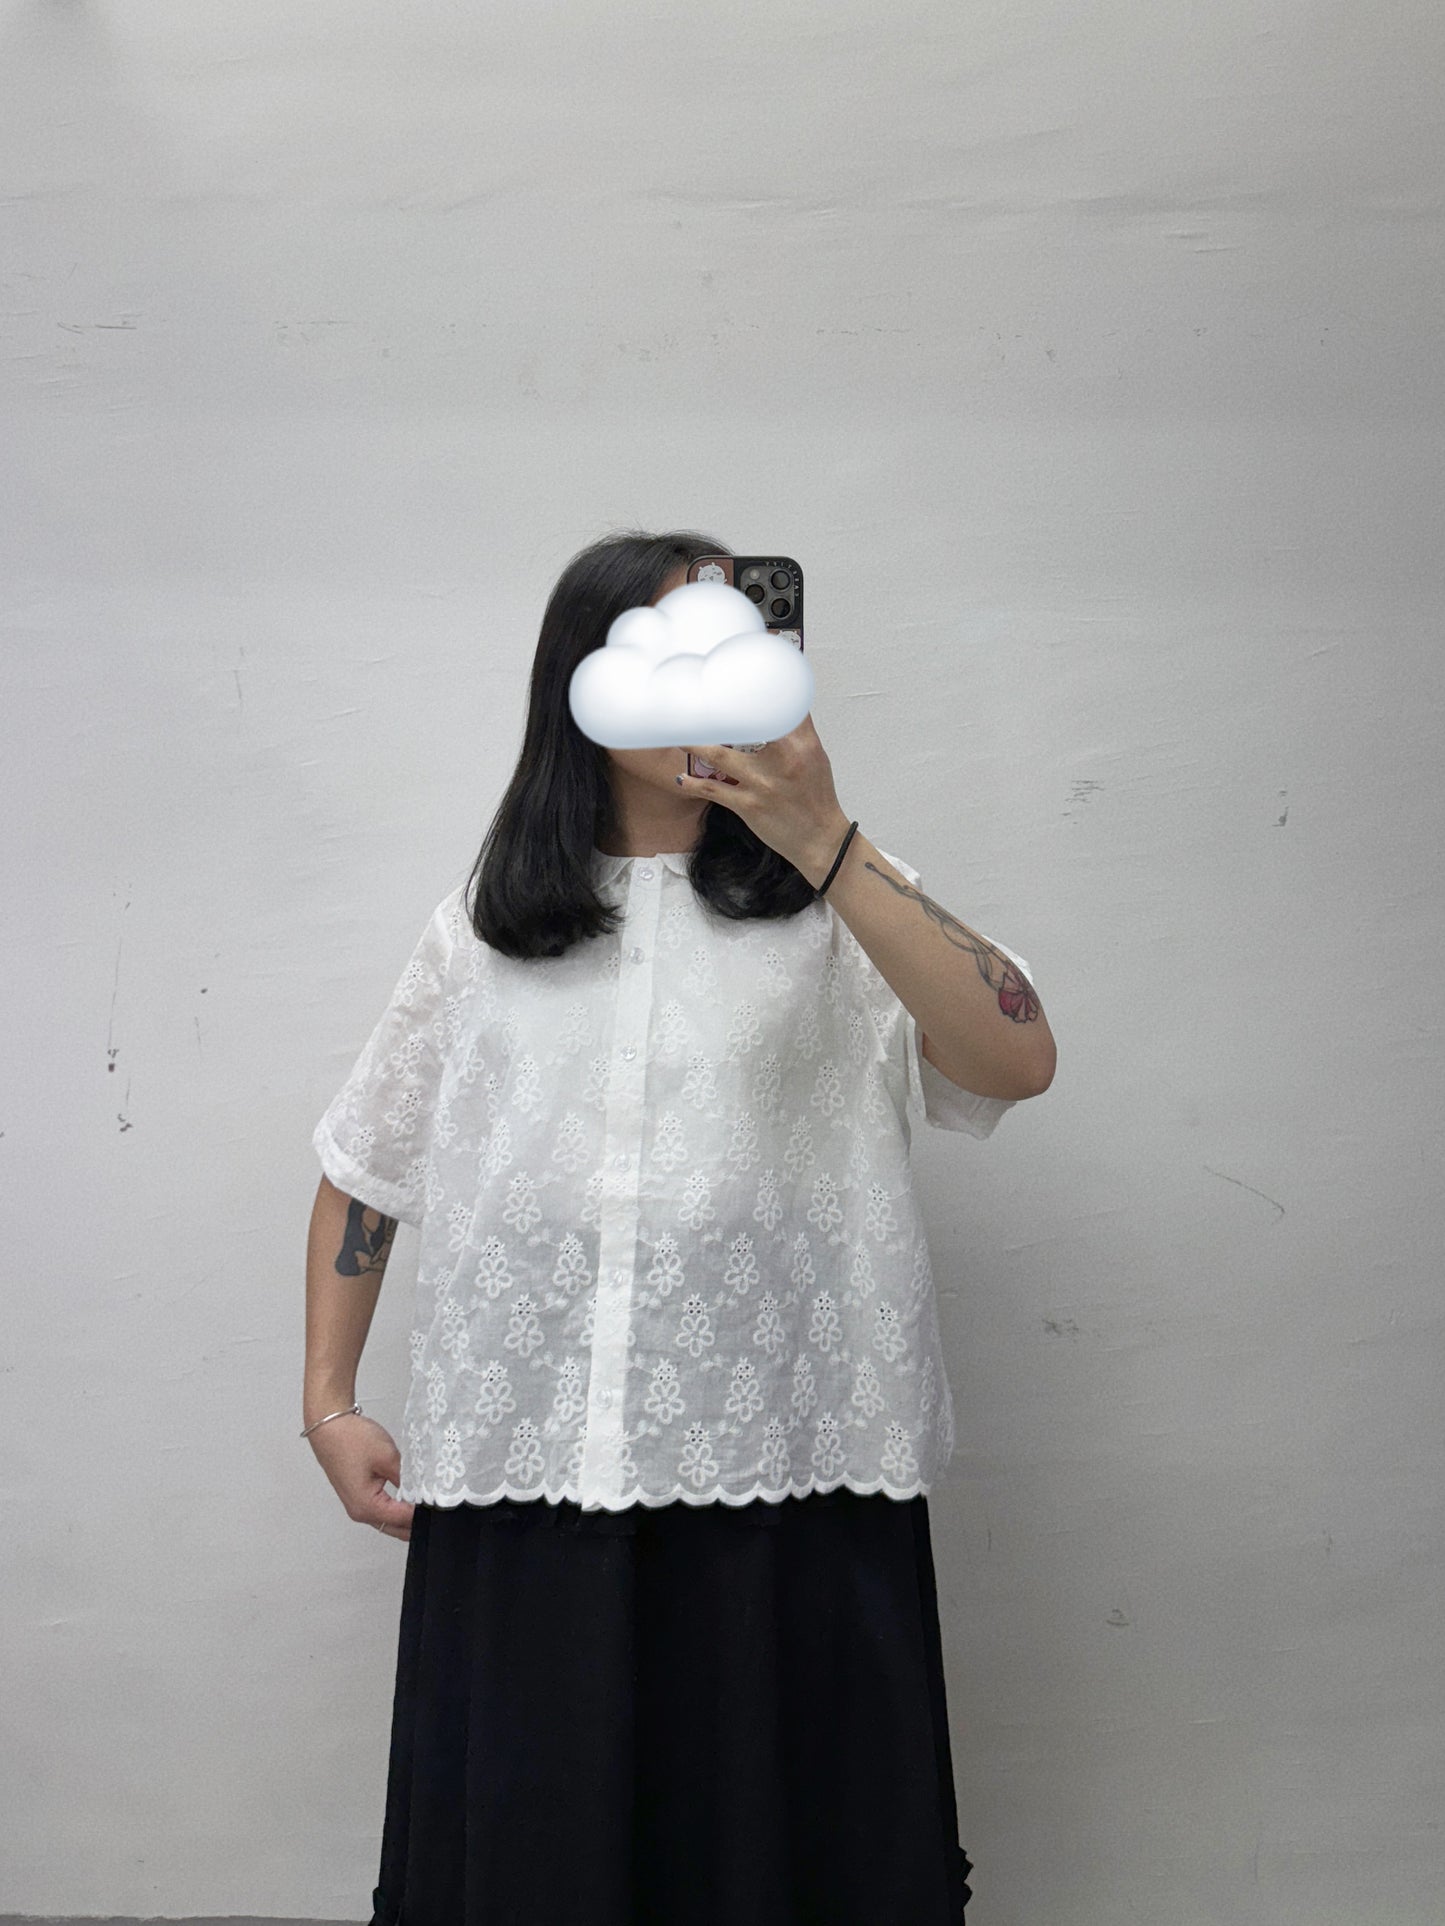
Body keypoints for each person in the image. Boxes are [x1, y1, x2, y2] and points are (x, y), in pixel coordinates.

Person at [302, 529, 1056, 1924]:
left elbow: (1015, 1058)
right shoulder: (484, 929)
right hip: (528, 1472)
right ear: (582, 681)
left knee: (778, 1861)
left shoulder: (844, 908)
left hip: (788, 1473)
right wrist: (329, 1400)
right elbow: (368, 1158)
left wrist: (827, 841)